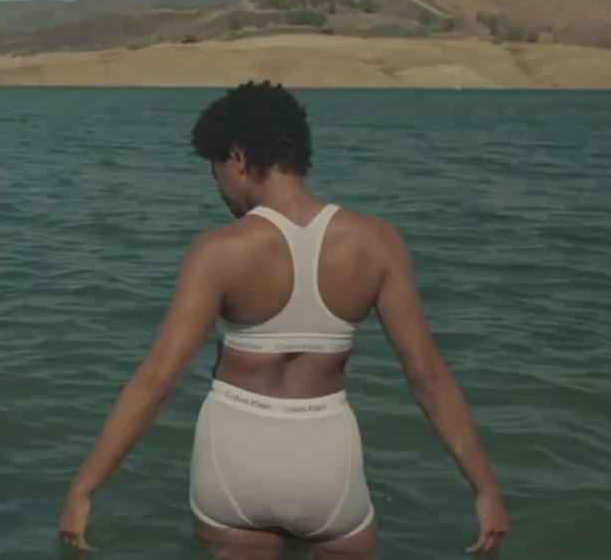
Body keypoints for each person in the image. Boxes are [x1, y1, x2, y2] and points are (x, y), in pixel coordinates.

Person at [58, 81, 508, 559]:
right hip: (327, 466)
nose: (219, 189)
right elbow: (428, 378)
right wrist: (485, 489)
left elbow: (157, 382)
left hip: (235, 464)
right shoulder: (378, 243)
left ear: (237, 158)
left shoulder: (219, 251)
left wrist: (84, 488)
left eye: (215, 173)